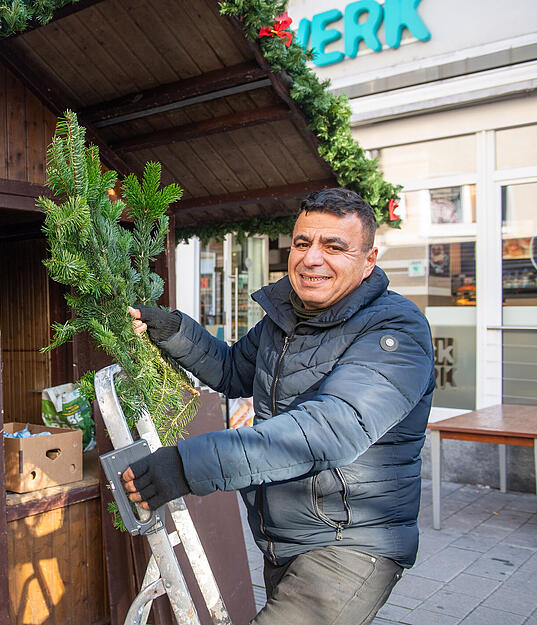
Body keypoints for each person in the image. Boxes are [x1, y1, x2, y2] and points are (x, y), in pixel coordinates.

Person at [123, 188, 435, 625]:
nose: (311, 259)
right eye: (303, 243)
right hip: (285, 541)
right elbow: (233, 370)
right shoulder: (286, 319)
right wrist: (176, 331)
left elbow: (330, 431)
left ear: (369, 261)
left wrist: (187, 465)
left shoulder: (396, 330)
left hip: (349, 545)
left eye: (334, 247)